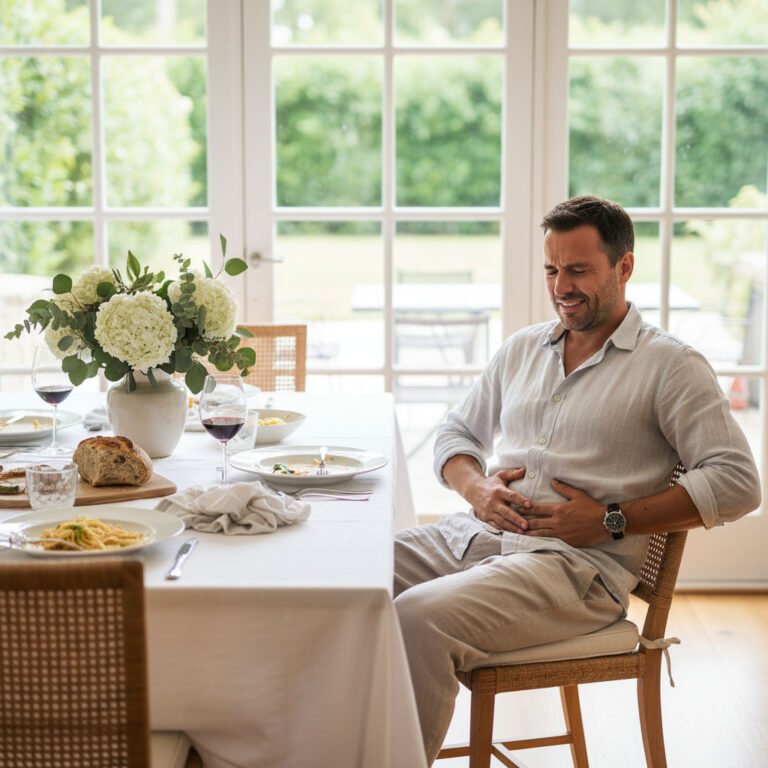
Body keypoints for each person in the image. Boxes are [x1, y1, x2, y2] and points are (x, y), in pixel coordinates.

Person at [393, 194, 761, 764]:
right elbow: (455, 434)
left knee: (418, 620)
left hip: (572, 571)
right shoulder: (522, 348)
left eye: (579, 270)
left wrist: (610, 519)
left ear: (624, 266)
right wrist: (477, 489)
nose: (561, 286)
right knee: (347, 579)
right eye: (552, 270)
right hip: (477, 538)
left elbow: (737, 482)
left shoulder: (671, 366)